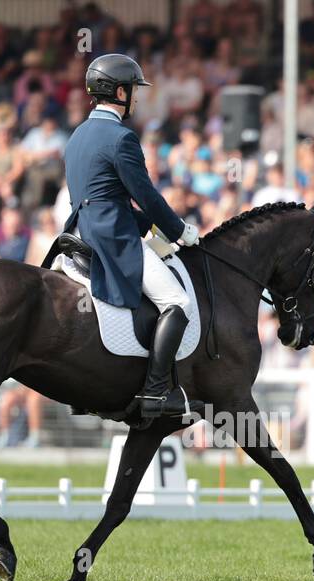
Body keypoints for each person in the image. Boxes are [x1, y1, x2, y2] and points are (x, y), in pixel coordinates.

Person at [61, 53, 200, 422]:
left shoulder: (78, 135)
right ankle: (156, 391)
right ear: (119, 91)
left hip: (79, 230)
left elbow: (100, 196)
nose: (136, 97)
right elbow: (147, 196)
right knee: (177, 301)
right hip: (111, 236)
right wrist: (179, 230)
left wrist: (145, 226)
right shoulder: (121, 137)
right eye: (133, 90)